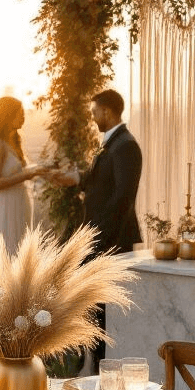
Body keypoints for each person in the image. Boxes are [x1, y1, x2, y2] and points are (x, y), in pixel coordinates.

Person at [54, 89, 142, 359]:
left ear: (107, 111)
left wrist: (98, 236)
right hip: (99, 236)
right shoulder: (112, 143)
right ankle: (94, 364)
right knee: (94, 306)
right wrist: (75, 179)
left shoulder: (125, 145)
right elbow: (101, 181)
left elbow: (122, 197)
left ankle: (103, 366)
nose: (92, 118)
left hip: (110, 239)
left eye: (94, 112)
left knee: (105, 310)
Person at [0, 96, 45, 248]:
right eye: (19, 113)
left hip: (17, 203)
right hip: (3, 207)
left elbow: (16, 172)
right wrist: (26, 175)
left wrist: (36, 170)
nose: (23, 117)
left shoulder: (14, 142)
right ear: (8, 115)